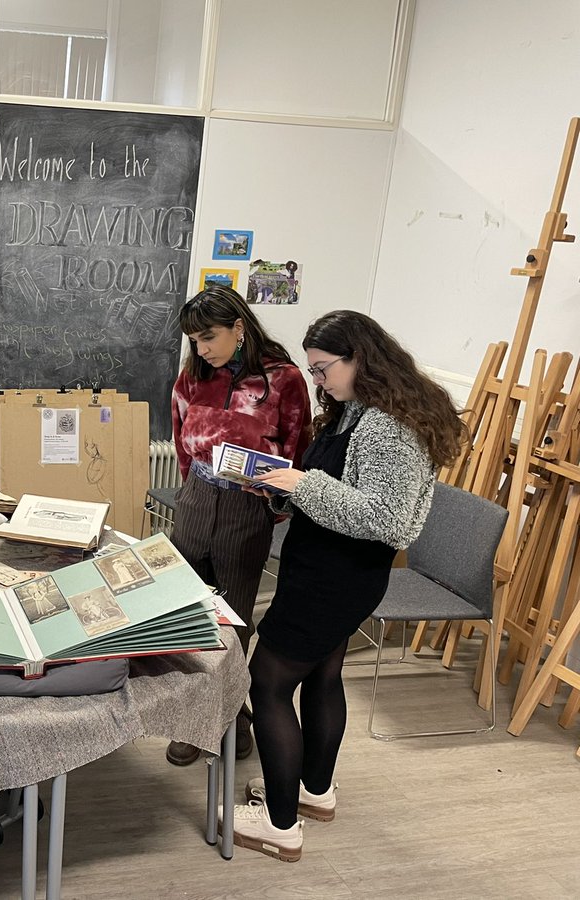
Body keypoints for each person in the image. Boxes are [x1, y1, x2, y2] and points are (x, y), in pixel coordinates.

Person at [228, 310, 466, 862]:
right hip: (328, 568)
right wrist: (288, 491)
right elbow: (341, 492)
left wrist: (302, 482)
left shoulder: (387, 426)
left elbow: (389, 521)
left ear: (360, 357)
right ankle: (313, 792)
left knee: (266, 683)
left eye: (322, 369)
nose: (318, 381)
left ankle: (280, 825)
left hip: (334, 578)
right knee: (323, 674)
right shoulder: (356, 410)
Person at [165, 285, 312, 767]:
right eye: (194, 340)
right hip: (196, 501)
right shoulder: (192, 376)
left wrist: (269, 508)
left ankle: (231, 719)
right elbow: (181, 441)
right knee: (188, 614)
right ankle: (192, 718)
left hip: (247, 510)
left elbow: (298, 450)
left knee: (232, 619)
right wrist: (195, 493)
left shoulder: (284, 379)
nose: (202, 349)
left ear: (239, 328)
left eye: (209, 337)